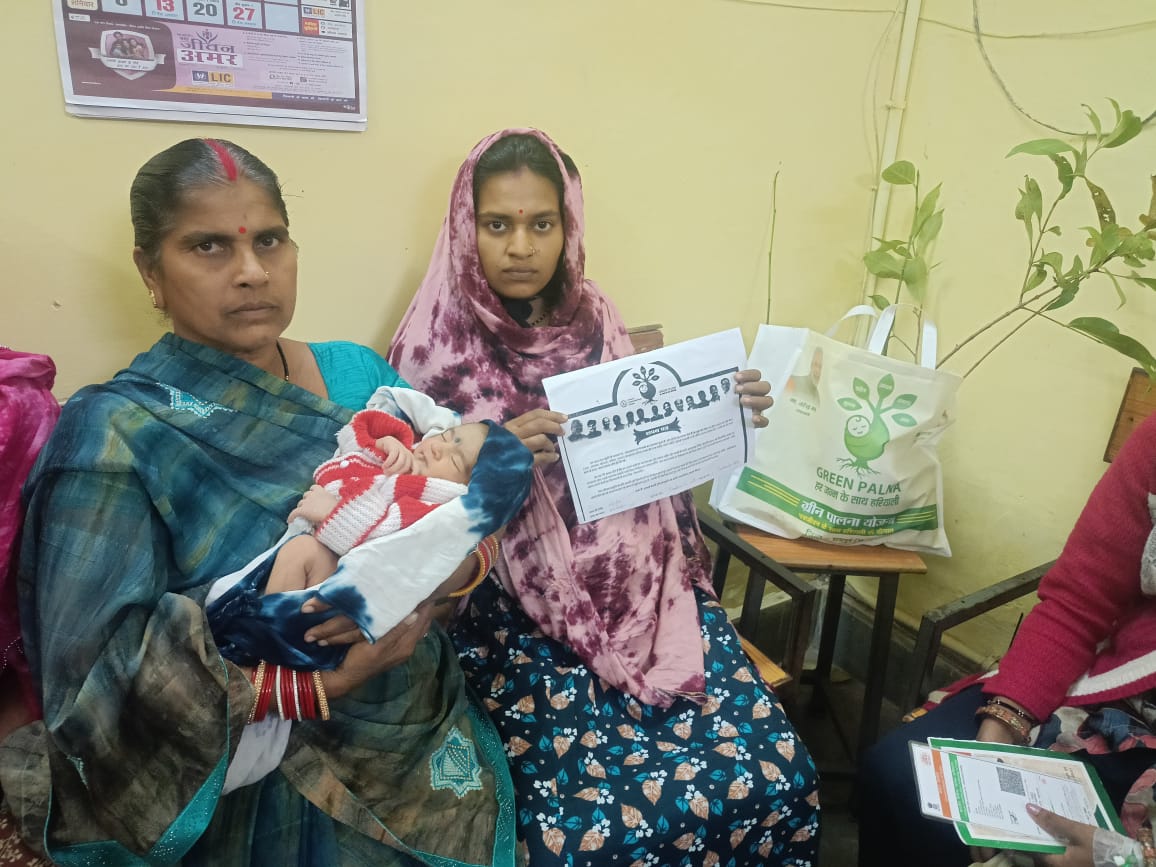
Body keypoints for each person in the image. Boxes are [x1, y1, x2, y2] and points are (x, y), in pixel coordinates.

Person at [0, 138, 519, 867]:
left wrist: (443, 573)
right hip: (256, 758)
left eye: (269, 240)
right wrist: (308, 687)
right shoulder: (113, 432)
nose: (251, 270)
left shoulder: (357, 375)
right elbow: (94, 684)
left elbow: (460, 507)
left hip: (415, 711)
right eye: (208, 245)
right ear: (150, 272)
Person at [389, 129, 821, 866]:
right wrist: (493, 456)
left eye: (541, 224)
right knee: (588, 835)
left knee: (776, 773)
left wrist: (722, 410)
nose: (520, 246)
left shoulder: (596, 316)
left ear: (569, 226)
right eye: (497, 224)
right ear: (465, 227)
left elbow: (648, 450)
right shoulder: (432, 348)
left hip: (648, 588)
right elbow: (408, 514)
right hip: (510, 617)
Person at [859, 412, 1156, 867]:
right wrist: (1004, 722)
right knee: (902, 775)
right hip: (1118, 690)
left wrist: (1135, 859)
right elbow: (1080, 600)